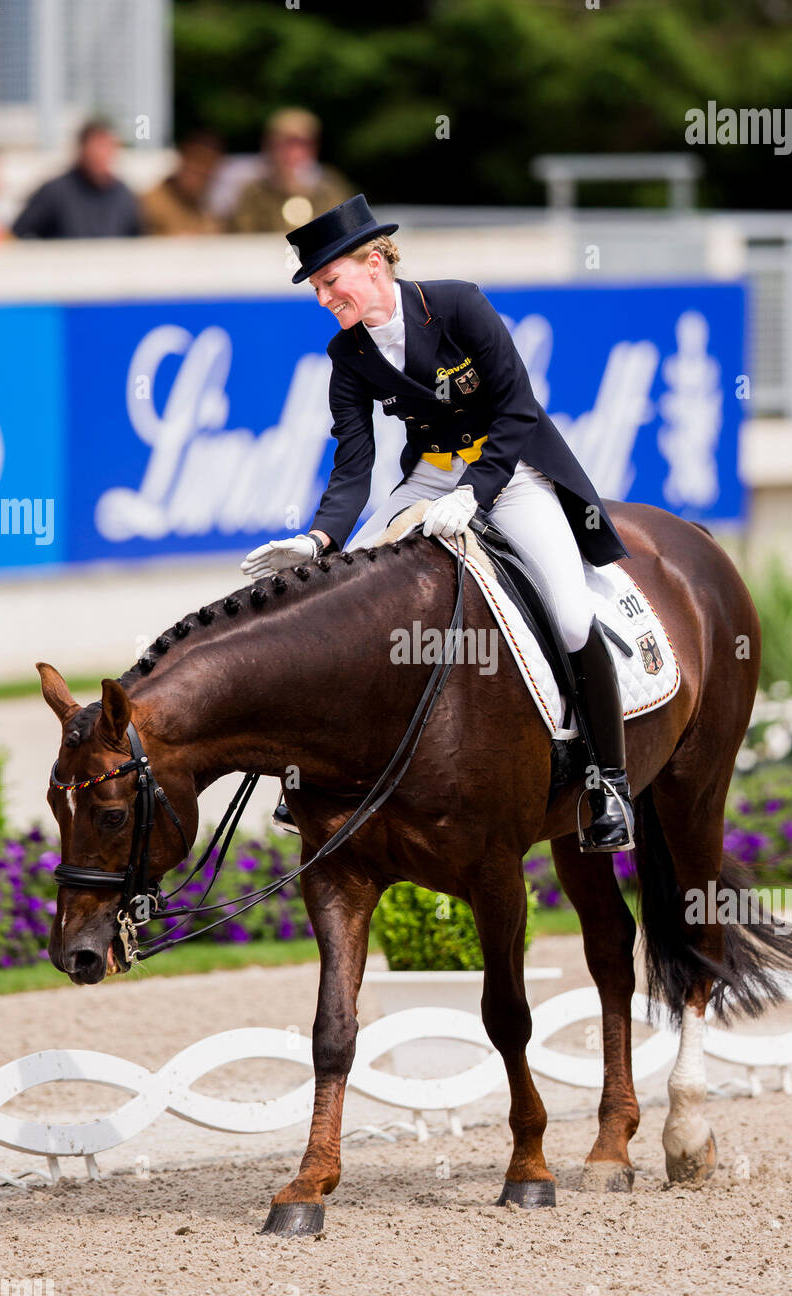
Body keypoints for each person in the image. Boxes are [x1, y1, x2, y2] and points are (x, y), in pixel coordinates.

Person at [241, 196, 636, 853]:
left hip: (510, 474)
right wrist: (317, 540)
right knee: (334, 605)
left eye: (329, 281)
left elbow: (516, 409)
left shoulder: (457, 305)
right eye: (315, 288)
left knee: (568, 616)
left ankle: (608, 784)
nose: (322, 298)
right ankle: (309, 778)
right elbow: (352, 467)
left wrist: (477, 493)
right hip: (427, 480)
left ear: (373, 264)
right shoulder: (348, 355)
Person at [230, 108, 352, 235]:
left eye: (304, 143)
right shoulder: (254, 193)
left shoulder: (331, 189)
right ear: (269, 146)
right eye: (287, 143)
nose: (295, 152)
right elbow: (244, 239)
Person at [12, 119, 141, 239]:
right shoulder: (55, 191)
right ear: (82, 149)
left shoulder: (123, 194)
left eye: (107, 147)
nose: (102, 155)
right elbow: (16, 234)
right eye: (97, 147)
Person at [140, 131, 224, 236]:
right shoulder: (151, 202)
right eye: (194, 160)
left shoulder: (208, 208)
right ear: (182, 158)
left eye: (206, 167)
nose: (198, 170)